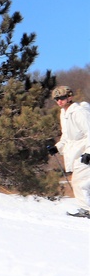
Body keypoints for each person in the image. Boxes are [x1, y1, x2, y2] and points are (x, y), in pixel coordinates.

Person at [48, 86, 90, 219]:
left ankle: (86, 210)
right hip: (75, 153)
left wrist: (89, 152)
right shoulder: (64, 113)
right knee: (80, 181)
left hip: (84, 152)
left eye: (62, 98)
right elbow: (66, 137)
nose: (59, 101)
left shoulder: (79, 112)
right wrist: (57, 147)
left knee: (80, 182)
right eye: (56, 99)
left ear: (69, 97)